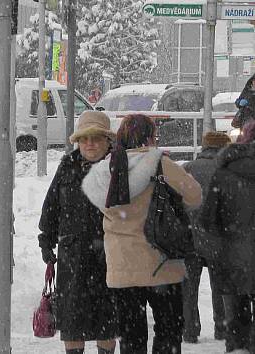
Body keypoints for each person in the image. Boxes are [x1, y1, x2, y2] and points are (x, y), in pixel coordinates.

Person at [81, 114, 202, 354]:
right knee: (168, 330)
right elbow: (195, 195)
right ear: (150, 136)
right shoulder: (159, 164)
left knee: (131, 335)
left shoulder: (105, 170)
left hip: (122, 267)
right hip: (161, 264)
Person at [38, 111, 118, 354]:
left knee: (107, 321)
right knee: (72, 322)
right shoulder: (67, 168)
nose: (90, 143)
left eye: (96, 138)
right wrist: (46, 241)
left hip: (110, 257)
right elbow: (51, 207)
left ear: (108, 141)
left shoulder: (118, 168)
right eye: (84, 139)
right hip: (73, 258)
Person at [200, 121, 255, 354]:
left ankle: (238, 346)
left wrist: (217, 249)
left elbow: (208, 219)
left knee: (236, 319)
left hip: (233, 257)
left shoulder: (223, 172)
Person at [181, 132, 232, 343]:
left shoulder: (188, 169)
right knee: (220, 285)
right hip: (218, 239)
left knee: (189, 288)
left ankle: (190, 330)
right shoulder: (227, 171)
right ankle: (221, 328)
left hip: (190, 237)